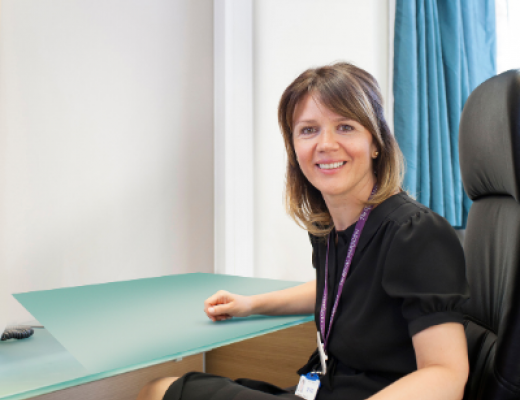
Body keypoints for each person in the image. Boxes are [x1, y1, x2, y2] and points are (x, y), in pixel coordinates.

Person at [137, 62, 470, 400]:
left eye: (345, 127)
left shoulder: (416, 233)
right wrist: (251, 304)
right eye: (309, 130)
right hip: (325, 388)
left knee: (160, 391)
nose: (326, 144)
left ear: (376, 142)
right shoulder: (332, 227)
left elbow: (446, 374)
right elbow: (342, 288)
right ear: (294, 148)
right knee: (164, 387)